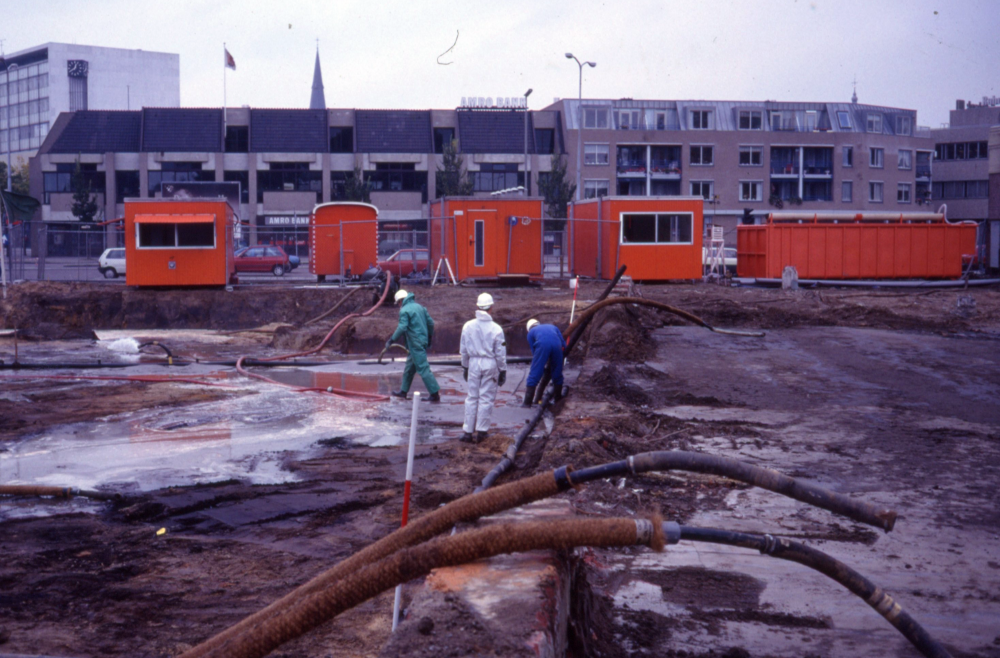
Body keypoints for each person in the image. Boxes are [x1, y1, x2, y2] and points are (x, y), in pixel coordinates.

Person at [459, 292, 507, 442]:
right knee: (486, 398)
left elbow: (464, 349)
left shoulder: (468, 326)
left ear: (478, 307)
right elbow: (500, 352)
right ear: (491, 307)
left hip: (473, 362)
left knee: (472, 397)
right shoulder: (496, 329)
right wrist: (502, 369)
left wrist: (465, 366)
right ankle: (481, 432)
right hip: (490, 363)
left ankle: (467, 432)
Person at [387, 289, 441, 402]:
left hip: (415, 343)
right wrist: (429, 337)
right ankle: (403, 391)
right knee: (409, 369)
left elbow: (402, 327)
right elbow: (431, 323)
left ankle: (435, 394)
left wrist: (391, 340)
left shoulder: (404, 311)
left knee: (423, 368)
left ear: (401, 301)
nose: (398, 306)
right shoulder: (420, 307)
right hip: (419, 342)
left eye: (398, 303)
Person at [523, 319, 565, 406]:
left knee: (535, 373)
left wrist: (542, 362)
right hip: (557, 346)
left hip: (543, 346)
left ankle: (527, 402)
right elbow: (563, 344)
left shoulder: (530, 333)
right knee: (557, 372)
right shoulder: (553, 327)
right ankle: (558, 398)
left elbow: (534, 351)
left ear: (528, 328)